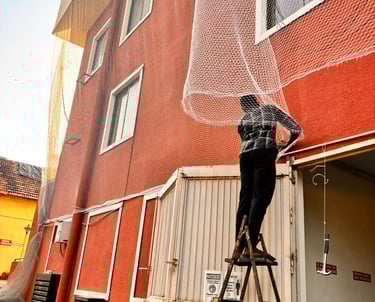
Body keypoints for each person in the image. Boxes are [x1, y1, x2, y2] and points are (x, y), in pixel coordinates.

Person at [236, 94, 302, 259]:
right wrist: (285, 145)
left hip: (245, 157)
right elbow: (295, 128)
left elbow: (245, 140)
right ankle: (249, 246)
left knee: (245, 199)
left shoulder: (242, 121)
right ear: (257, 101)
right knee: (260, 197)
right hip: (263, 154)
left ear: (244, 107)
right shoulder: (270, 109)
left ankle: (239, 245)